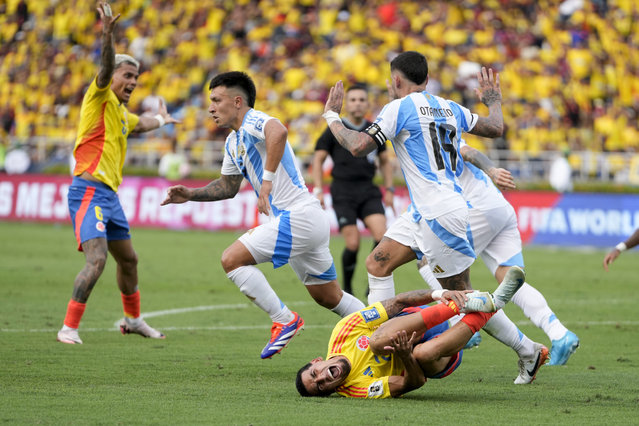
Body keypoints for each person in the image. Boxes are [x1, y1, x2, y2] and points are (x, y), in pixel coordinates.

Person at [161, 71, 365, 359]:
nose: (210, 108)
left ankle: (284, 320)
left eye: (216, 100)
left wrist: (266, 181)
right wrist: (190, 195)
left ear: (237, 101)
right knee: (329, 297)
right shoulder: (233, 142)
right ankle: (388, 325)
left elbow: (278, 131)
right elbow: (228, 186)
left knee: (231, 260)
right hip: (303, 220)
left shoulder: (253, 119)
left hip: (298, 216)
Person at [322, 52, 503, 308]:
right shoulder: (449, 107)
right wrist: (493, 101)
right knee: (377, 263)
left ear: (395, 81)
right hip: (425, 210)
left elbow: (357, 146)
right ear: (427, 79)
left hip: (439, 212)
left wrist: (331, 116)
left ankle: (525, 347)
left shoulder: (398, 108)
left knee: (462, 296)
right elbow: (495, 128)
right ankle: (382, 338)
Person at [57, 2, 179, 345]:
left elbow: (142, 126)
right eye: (128, 77)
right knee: (96, 261)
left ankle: (133, 319)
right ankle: (68, 327)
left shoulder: (123, 115)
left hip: (109, 196)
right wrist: (107, 35)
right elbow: (106, 66)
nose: (133, 83)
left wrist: (163, 121)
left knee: (129, 259)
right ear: (112, 77)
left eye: (136, 79)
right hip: (88, 191)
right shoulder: (97, 97)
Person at [417, 143, 579, 368]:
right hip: (499, 207)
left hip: (475, 209)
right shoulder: (440, 127)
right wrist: (492, 171)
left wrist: (492, 169)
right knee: (510, 281)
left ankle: (461, 322)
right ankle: (559, 333)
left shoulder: (433, 133)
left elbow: (467, 152)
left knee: (429, 260)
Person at [296, 266, 533, 398]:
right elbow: (415, 382)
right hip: (433, 359)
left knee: (377, 341)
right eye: (320, 386)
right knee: (421, 355)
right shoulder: (357, 389)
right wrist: (405, 355)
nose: (323, 378)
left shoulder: (343, 331)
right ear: (331, 390)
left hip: (417, 320)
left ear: (317, 361)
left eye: (315, 373)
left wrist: (439, 295)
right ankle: (490, 307)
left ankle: (458, 304)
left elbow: (398, 302)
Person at [311, 83, 394, 296]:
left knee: (382, 237)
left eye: (361, 100)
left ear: (367, 103)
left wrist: (390, 189)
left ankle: (373, 284)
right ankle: (347, 288)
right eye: (353, 100)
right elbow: (318, 159)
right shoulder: (335, 130)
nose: (357, 103)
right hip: (343, 192)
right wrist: (318, 189)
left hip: (368, 190)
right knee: (353, 243)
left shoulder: (374, 130)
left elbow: (385, 161)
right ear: (347, 104)